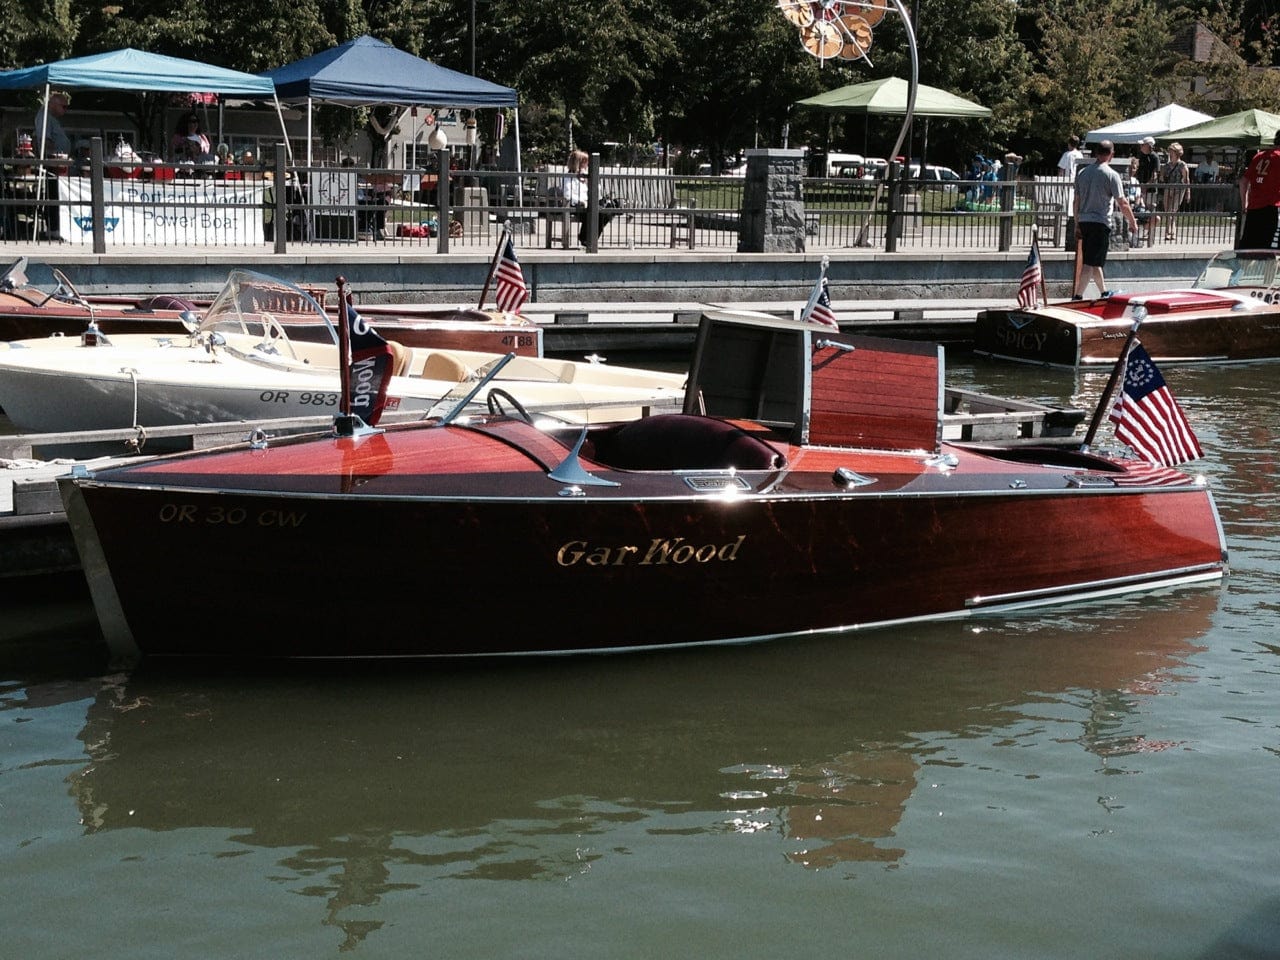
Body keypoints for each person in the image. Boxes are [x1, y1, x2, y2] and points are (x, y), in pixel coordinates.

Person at [1072, 140, 1138, 299]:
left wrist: (1076, 223)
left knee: (1095, 260)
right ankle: (1078, 296)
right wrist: (1132, 221)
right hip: (1100, 223)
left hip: (1084, 221)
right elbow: (1122, 202)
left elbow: (1076, 201)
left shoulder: (1082, 173)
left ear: (1096, 153)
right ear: (1111, 154)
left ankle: (1103, 292)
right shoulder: (1111, 174)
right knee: (1089, 262)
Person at [560, 148, 616, 247]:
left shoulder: (587, 176)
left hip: (590, 203)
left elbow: (597, 191)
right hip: (576, 205)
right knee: (595, 211)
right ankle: (587, 239)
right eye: (584, 163)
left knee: (606, 212)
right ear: (578, 163)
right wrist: (581, 201)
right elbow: (568, 194)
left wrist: (589, 181)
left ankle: (587, 238)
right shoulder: (569, 177)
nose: (586, 165)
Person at [1237, 132, 1280, 249]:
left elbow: (1243, 181)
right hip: (1271, 208)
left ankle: (1242, 267)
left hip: (1253, 209)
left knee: (1248, 247)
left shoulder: (1259, 156)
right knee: (1267, 250)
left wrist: (1244, 204)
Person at [1123, 156, 1159, 246]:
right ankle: (1134, 238)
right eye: (1130, 168)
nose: (1132, 170)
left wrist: (1137, 205)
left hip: (1135, 207)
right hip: (1124, 208)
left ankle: (1139, 235)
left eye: (1134, 168)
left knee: (1155, 218)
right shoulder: (1121, 181)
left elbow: (1138, 198)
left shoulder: (1136, 181)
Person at [1159, 142, 1191, 241]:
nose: (1170, 153)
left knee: (1172, 211)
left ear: (1177, 153)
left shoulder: (1182, 165)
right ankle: (1172, 232)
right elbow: (1161, 177)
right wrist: (1161, 174)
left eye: (1171, 151)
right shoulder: (1167, 165)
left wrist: (1188, 192)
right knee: (1167, 211)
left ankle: (1169, 233)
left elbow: (1186, 180)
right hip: (1168, 189)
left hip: (1179, 190)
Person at [32, 90, 71, 159]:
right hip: (52, 160)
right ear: (53, 105)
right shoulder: (44, 117)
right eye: (64, 107)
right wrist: (53, 156)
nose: (66, 110)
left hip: (58, 159)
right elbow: (45, 139)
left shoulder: (51, 117)